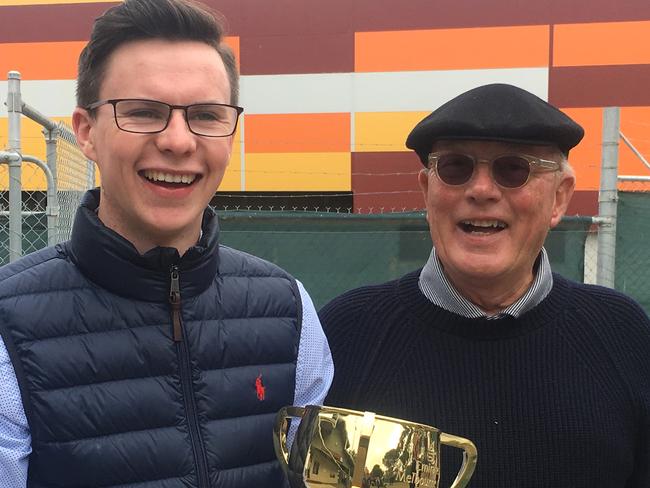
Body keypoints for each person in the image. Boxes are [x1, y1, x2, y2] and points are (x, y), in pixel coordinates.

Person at [0, 0, 332, 486]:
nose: (178, 141)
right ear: (86, 133)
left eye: (206, 115)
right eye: (144, 112)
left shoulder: (289, 309)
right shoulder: (8, 325)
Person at [319, 83, 650, 487]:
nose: (480, 190)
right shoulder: (347, 333)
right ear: (427, 191)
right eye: (455, 167)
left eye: (514, 169)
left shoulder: (624, 335)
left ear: (560, 198)